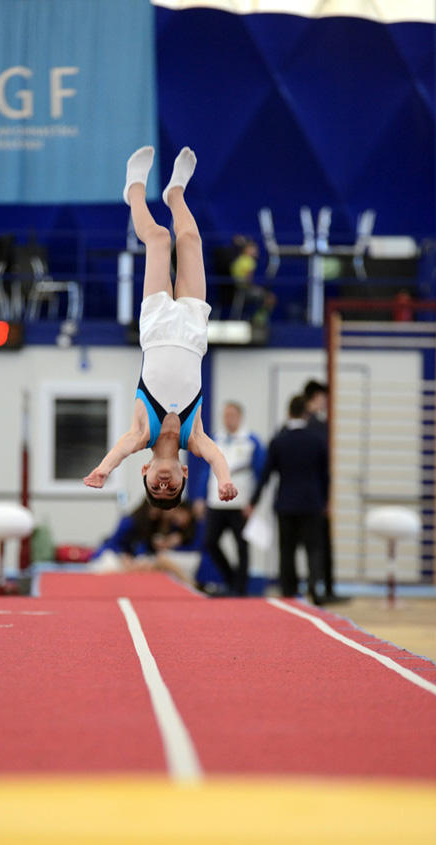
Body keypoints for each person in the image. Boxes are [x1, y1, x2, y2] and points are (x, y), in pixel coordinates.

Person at [84, 146, 238, 509]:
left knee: (158, 240)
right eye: (172, 489)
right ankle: (175, 194)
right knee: (190, 240)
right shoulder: (195, 437)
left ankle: (134, 188)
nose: (164, 485)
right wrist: (225, 480)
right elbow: (217, 458)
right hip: (192, 331)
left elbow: (120, 448)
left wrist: (103, 470)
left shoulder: (142, 435)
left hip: (156, 329)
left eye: (156, 488)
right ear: (186, 475)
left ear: (145, 473)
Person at [247, 394, 328, 605]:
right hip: (311, 502)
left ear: (289, 413)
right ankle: (314, 587)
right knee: (314, 548)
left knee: (287, 550)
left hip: (286, 503)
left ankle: (288, 591)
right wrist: (326, 501)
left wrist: (253, 502)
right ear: (306, 414)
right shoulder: (317, 440)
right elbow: (325, 475)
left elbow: (265, 475)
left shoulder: (279, 440)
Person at [195, 401, 265, 595]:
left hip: (240, 504)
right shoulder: (215, 440)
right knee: (210, 542)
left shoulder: (252, 441)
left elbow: (261, 474)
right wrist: (200, 497)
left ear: (240, 417)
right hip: (215, 502)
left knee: (242, 546)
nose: (229, 419)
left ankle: (241, 588)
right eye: (225, 415)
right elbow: (205, 471)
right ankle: (230, 579)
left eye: (232, 415)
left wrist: (253, 502)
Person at [303, 379, 344, 603]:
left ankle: (325, 588)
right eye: (323, 398)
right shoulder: (315, 426)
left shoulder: (312, 423)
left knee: (320, 544)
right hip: (314, 494)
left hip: (311, 492)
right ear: (315, 398)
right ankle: (319, 589)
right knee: (316, 545)